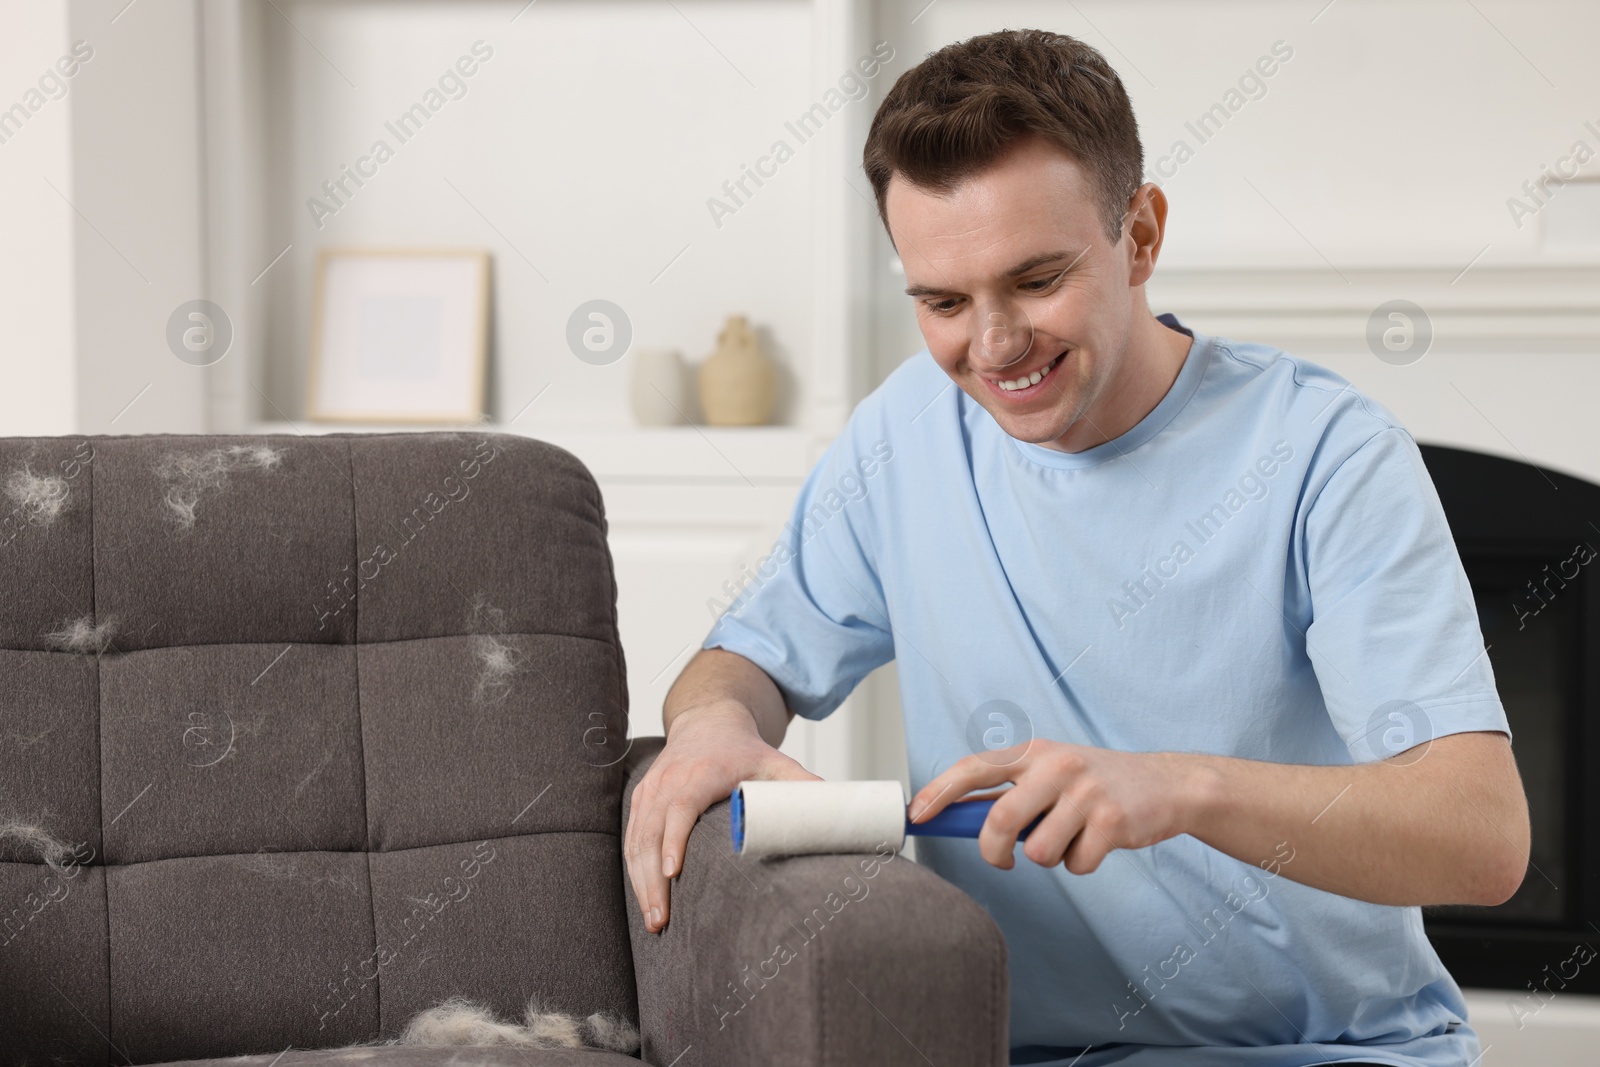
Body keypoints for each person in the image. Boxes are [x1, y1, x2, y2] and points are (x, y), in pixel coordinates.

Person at [623, 28, 1529, 1067]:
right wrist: (706, 726)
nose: (994, 345)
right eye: (943, 301)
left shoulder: (1326, 452)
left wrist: (1179, 787)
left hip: (1331, 1050)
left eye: (1036, 279)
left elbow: (1482, 834)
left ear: (1138, 236)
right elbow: (746, 660)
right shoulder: (906, 432)